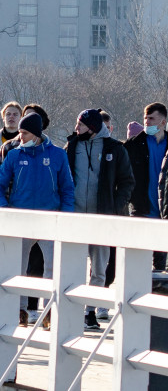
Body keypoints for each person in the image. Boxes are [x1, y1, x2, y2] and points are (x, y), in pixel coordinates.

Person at [0, 112, 75, 326]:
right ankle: (20, 311)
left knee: (52, 269)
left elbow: (67, 188)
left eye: (24, 133)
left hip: (50, 220)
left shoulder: (57, 155)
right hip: (21, 221)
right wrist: (5, 210)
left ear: (36, 134)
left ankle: (48, 312)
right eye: (19, 133)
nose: (20, 137)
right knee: (19, 268)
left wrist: (65, 216)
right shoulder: (14, 156)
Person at [66, 108, 134, 329]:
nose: (76, 128)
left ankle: (90, 311)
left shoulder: (115, 148)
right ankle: (72, 309)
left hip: (102, 216)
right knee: (72, 266)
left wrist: (116, 205)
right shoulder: (72, 146)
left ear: (92, 127)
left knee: (99, 268)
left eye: (80, 125)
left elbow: (127, 181)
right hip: (75, 216)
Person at [124, 102, 168, 271]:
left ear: (163, 122)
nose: (147, 122)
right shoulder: (133, 145)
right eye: (145, 118)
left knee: (160, 267)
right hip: (141, 209)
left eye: (151, 118)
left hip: (163, 212)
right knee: (138, 263)